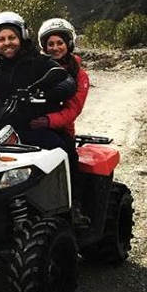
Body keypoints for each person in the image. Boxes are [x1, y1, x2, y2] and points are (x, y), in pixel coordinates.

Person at [0, 12, 77, 151]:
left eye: (12, 37)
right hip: (1, 129)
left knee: (61, 148)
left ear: (22, 37)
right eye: (1, 39)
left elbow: (66, 80)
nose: (7, 43)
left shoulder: (39, 62)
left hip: (35, 128)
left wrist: (51, 93)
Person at [34, 17, 91, 224]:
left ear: (69, 44)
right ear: (44, 46)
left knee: (68, 156)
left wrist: (48, 121)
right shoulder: (36, 67)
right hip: (32, 124)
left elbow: (73, 109)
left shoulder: (79, 75)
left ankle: (74, 206)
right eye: (50, 44)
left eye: (60, 43)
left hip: (60, 129)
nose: (55, 48)